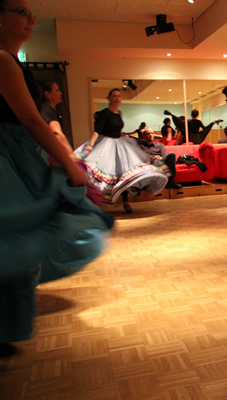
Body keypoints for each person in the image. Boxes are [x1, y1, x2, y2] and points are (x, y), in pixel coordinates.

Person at [0, 0, 113, 357]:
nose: (31, 17)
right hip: (10, 154)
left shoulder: (10, 60)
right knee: (16, 235)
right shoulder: (2, 59)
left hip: (20, 152)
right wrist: (68, 162)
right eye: (21, 11)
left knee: (19, 236)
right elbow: (31, 120)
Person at [80, 88, 169, 213]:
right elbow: (97, 131)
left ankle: (126, 202)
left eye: (119, 96)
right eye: (114, 96)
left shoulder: (119, 113)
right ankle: (93, 202)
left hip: (120, 145)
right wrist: (91, 144)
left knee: (123, 174)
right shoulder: (104, 113)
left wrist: (125, 136)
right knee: (103, 173)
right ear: (109, 98)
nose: (117, 98)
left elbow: (118, 130)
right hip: (107, 145)